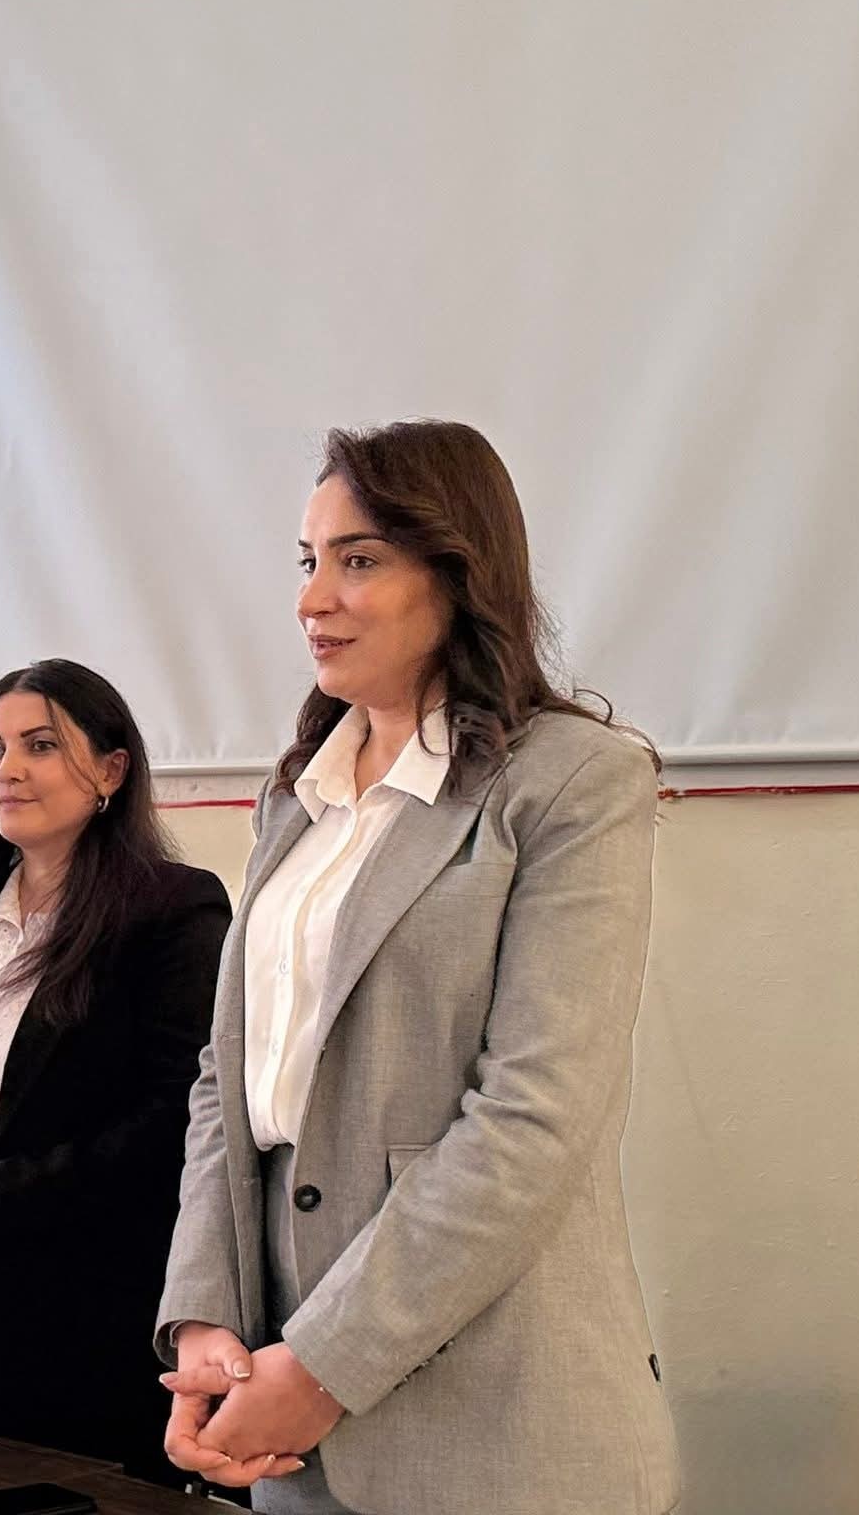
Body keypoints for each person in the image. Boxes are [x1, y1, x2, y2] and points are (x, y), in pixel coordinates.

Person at [157, 422, 682, 1514]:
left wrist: (322, 1366)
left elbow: (532, 1118)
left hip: (495, 1425)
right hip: (284, 1416)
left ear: (457, 570)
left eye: (358, 560)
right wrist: (206, 1319)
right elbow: (227, 1076)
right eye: (308, 561)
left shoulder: (571, 781)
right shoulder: (297, 793)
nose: (313, 600)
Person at [0, 659, 230, 1482]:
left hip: (83, 1314)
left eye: (41, 746)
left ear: (111, 770)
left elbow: (176, 1119)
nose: (8, 770)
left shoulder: (173, 909)